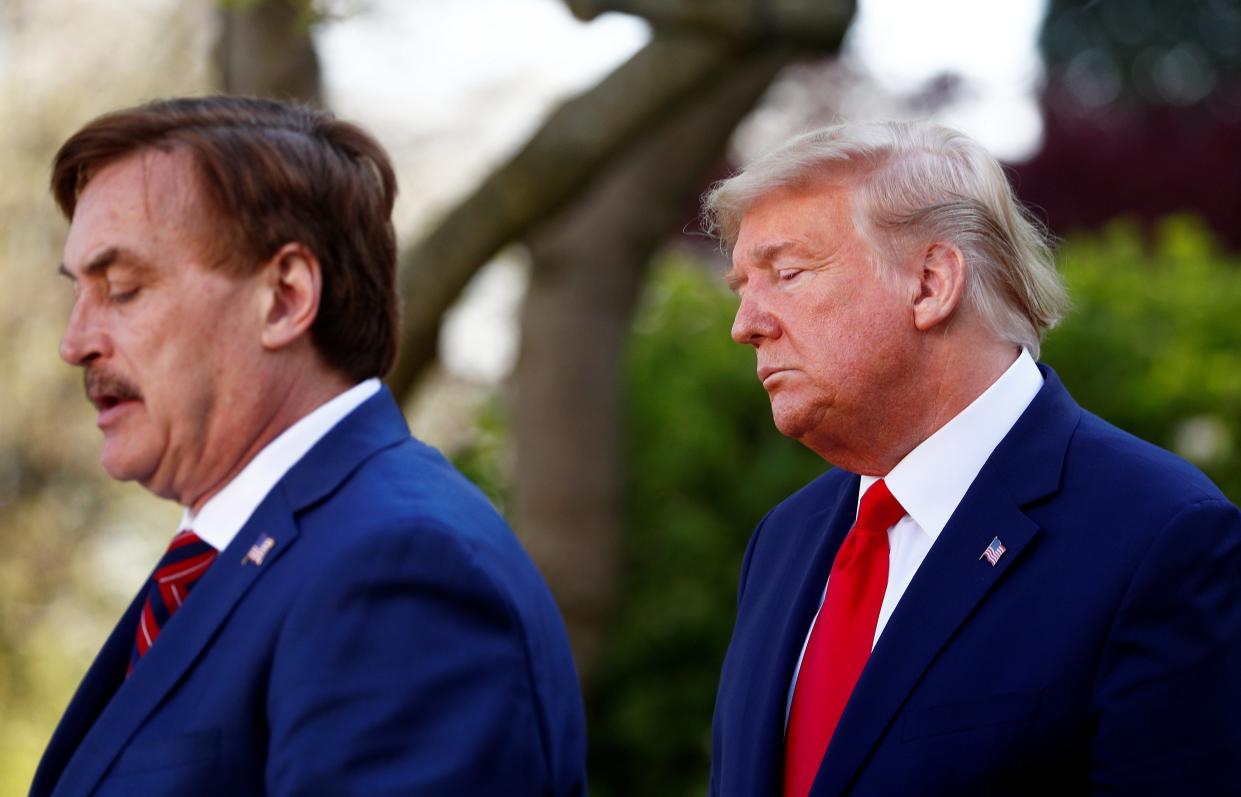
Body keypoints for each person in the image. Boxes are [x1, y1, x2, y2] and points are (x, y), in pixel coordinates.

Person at [33, 96, 586, 797]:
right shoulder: (244, 557)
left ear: (286, 296)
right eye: (78, 292)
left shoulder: (399, 569)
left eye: (123, 288)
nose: (74, 342)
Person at [702, 121, 1241, 796]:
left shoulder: (1160, 534)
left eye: (786, 274)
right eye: (741, 286)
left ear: (930, 283)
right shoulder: (783, 540)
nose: (744, 323)